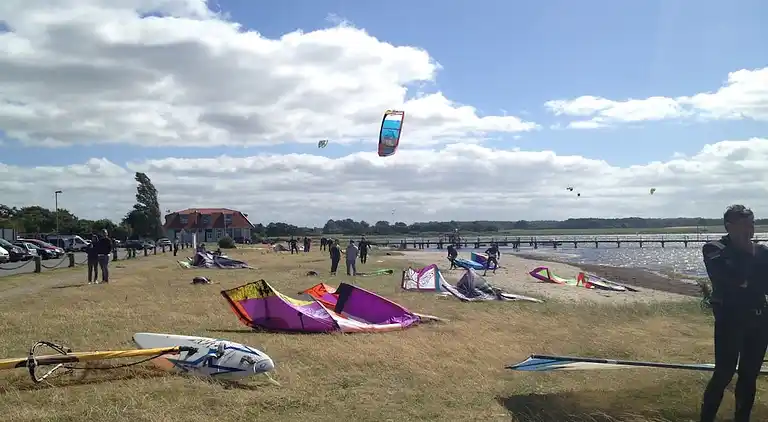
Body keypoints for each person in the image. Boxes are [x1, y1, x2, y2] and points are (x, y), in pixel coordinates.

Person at [699, 204, 768, 422]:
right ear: (729, 226)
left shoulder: (763, 251)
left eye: (752, 224)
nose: (750, 230)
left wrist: (748, 280)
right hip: (731, 320)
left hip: (759, 320)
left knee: (749, 377)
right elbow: (731, 278)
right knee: (724, 374)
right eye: (744, 225)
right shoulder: (714, 248)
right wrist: (749, 272)